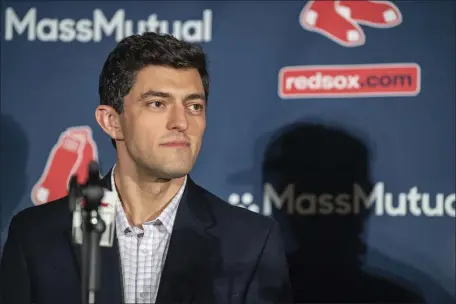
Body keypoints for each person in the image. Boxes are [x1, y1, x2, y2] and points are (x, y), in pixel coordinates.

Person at [0, 32, 293, 304]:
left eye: (194, 106)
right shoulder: (36, 236)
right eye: (157, 103)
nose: (181, 122)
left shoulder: (250, 242)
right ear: (112, 121)